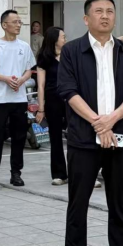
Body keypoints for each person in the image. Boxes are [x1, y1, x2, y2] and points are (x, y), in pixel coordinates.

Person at [57, 0, 123, 246]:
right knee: (78, 203)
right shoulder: (72, 50)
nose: (105, 16)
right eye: (98, 11)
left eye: (110, 11)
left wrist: (112, 120)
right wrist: (98, 122)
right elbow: (67, 91)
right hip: (84, 139)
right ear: (86, 18)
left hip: (119, 137)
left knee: (118, 203)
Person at [0, 10, 36, 190]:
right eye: (15, 22)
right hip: (0, 99)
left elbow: (29, 69)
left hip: (19, 98)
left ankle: (16, 173)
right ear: (4, 25)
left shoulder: (24, 46)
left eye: (20, 21)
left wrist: (22, 80)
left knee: (19, 137)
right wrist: (6, 79)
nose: (18, 25)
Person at [36, 27, 69, 186]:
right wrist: (41, 108)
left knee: (77, 135)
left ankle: (81, 172)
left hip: (71, 99)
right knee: (55, 137)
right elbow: (40, 85)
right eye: (63, 36)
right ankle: (59, 174)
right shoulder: (44, 58)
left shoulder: (69, 54)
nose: (65, 39)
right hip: (52, 100)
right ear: (55, 39)